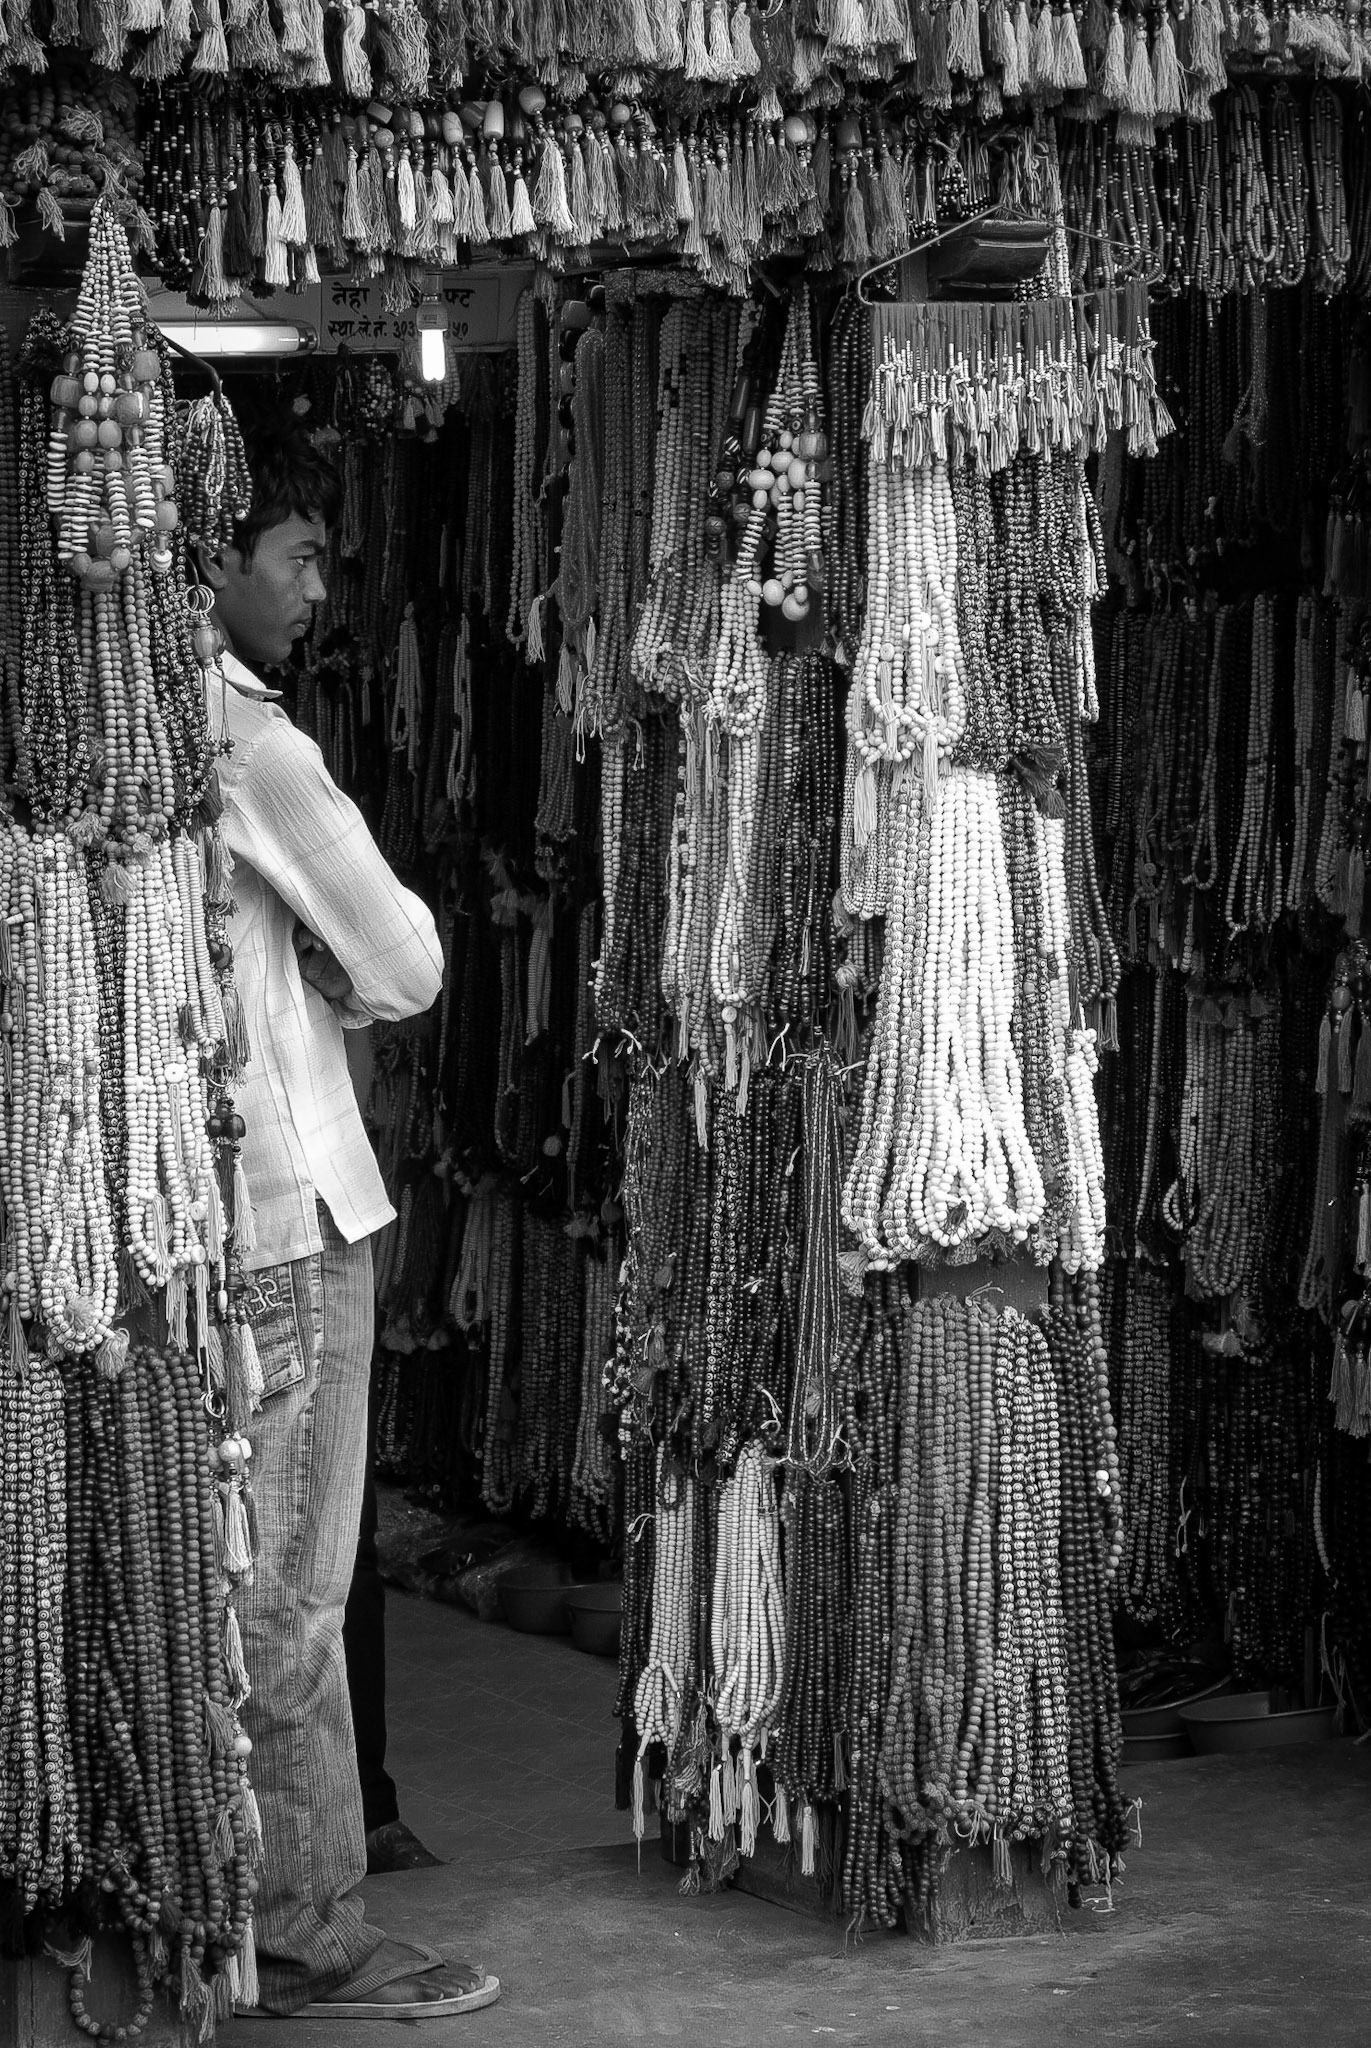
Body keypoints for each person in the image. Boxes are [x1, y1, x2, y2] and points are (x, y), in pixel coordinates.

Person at [197, 406, 498, 2021]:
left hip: (181, 1221)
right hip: (289, 1218)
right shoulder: (251, 743)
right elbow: (406, 961)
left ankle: (215, 1912)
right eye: (300, 557)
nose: (319, 591)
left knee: (212, 1579)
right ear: (222, 561)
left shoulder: (106, 727)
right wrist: (331, 968)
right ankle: (310, 1929)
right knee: (293, 1595)